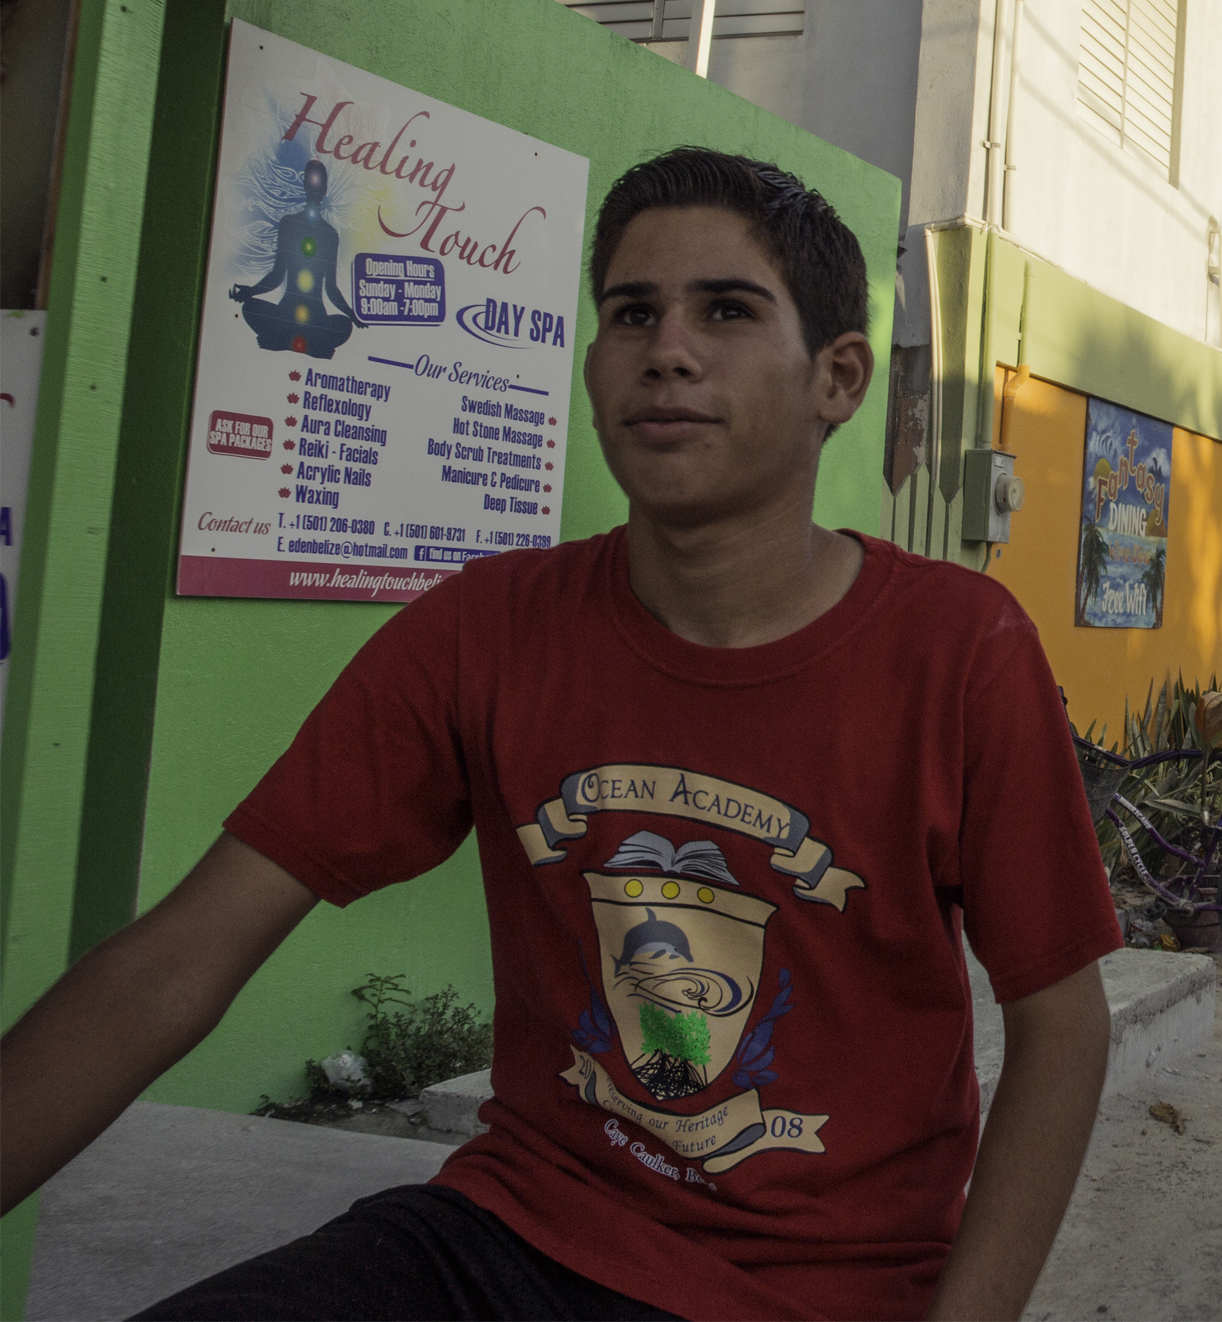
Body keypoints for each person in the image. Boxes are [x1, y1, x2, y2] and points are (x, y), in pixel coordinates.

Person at [0, 149, 1124, 1321]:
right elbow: (178, 962)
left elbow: (1060, 1028)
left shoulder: (956, 653)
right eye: (631, 312)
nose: (667, 349)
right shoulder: (484, 632)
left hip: (819, 1291)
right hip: (509, 1233)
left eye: (727, 310)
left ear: (838, 377)